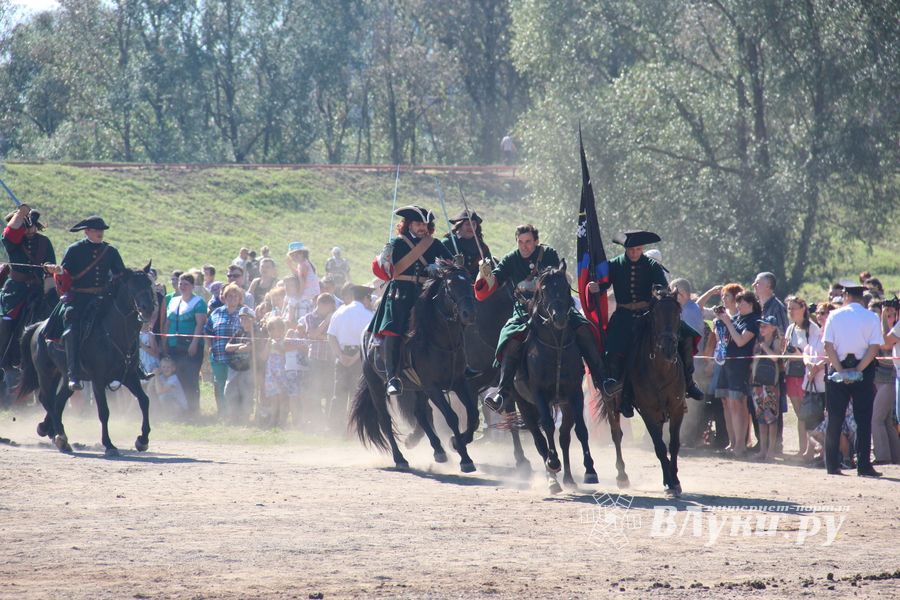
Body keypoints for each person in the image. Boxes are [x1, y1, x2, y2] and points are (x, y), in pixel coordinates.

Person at [475, 224, 614, 412]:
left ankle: (603, 380)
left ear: (536, 241)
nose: (524, 246)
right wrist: (484, 273)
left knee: (584, 329)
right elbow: (488, 288)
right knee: (509, 340)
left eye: (528, 241)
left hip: (552, 307)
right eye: (520, 242)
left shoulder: (548, 254)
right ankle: (503, 392)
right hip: (524, 311)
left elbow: (555, 279)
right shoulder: (510, 259)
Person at [597, 230, 703, 416]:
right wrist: (595, 286)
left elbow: (662, 287)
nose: (635, 253)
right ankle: (619, 392)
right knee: (612, 349)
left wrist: (660, 293)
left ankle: (689, 381)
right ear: (625, 249)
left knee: (686, 335)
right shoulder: (614, 264)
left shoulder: (652, 265)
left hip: (648, 316)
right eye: (631, 249)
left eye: (638, 249)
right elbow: (603, 284)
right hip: (623, 317)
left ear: (642, 248)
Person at [369, 205, 454, 396]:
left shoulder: (435, 244)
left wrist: (439, 267)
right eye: (418, 224)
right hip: (401, 294)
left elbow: (452, 266)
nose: (422, 227)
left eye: (424, 224)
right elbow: (384, 272)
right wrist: (385, 259)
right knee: (393, 328)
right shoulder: (397, 243)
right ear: (409, 225)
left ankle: (457, 368)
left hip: (427, 293)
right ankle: (392, 377)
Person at [43, 215, 127, 391]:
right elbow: (64, 277)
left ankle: (134, 367)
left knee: (125, 322)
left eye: (101, 230)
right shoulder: (74, 250)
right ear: (87, 231)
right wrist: (58, 272)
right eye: (96, 230)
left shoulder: (110, 251)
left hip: (103, 298)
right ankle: (73, 374)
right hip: (79, 298)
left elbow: (121, 275)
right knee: (72, 328)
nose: (100, 233)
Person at [821, 281, 884, 477]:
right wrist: (858, 369)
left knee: (835, 419)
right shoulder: (872, 317)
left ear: (846, 296)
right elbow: (874, 348)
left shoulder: (834, 315)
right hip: (863, 369)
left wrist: (841, 370)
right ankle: (864, 465)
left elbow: (828, 346)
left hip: (838, 367)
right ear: (861, 297)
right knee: (863, 419)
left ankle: (832, 465)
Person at [0, 204, 55, 377]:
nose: (30, 229)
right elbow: (8, 234)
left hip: (38, 290)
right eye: (25, 226)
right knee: (7, 322)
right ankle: (4, 359)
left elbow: (51, 265)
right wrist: (22, 213)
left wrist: (50, 269)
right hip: (16, 292)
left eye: (32, 226)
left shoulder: (44, 242)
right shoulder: (14, 242)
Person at [714, 290, 761, 458]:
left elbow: (741, 341)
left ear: (751, 304)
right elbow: (724, 339)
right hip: (726, 364)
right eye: (738, 301)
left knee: (738, 403)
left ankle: (741, 444)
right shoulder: (736, 319)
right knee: (726, 402)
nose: (739, 305)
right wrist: (720, 322)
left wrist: (728, 322)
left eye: (742, 302)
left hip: (740, 366)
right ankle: (732, 442)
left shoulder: (754, 321)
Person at [327, 284, 374, 432]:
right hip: (360, 357)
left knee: (339, 394)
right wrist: (354, 358)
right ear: (365, 298)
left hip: (342, 355)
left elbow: (331, 336)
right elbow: (370, 341)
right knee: (358, 394)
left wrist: (341, 355)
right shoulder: (369, 316)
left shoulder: (339, 312)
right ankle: (355, 428)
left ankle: (334, 428)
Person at [162, 273, 207, 416]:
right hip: (174, 345)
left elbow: (200, 324)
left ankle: (193, 410)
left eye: (186, 284)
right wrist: (164, 341)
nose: (182, 286)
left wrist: (194, 343)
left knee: (190, 378)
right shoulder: (173, 300)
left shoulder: (198, 302)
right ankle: (180, 409)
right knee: (177, 378)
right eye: (181, 283)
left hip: (190, 346)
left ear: (192, 286)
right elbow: (168, 322)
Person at [783, 296, 820, 457]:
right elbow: (785, 351)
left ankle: (811, 449)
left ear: (803, 308)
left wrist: (799, 354)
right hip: (792, 373)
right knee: (799, 414)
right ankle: (802, 449)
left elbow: (815, 352)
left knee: (808, 414)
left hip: (807, 374)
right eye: (789, 308)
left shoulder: (812, 328)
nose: (791, 311)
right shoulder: (790, 328)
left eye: (794, 308)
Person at [205, 282, 245, 418]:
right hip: (218, 356)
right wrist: (210, 346)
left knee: (235, 386)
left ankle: (236, 414)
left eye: (235, 296)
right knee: (220, 384)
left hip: (237, 358)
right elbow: (207, 331)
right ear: (224, 298)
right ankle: (223, 413)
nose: (232, 299)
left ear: (240, 298)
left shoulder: (244, 313)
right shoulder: (216, 312)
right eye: (229, 296)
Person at [298, 293, 338, 424]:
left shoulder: (336, 316)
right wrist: (326, 321)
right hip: (316, 359)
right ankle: (317, 421)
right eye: (329, 306)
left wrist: (324, 336)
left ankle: (329, 421)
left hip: (331, 359)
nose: (331, 308)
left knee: (330, 391)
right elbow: (313, 334)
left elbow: (336, 336)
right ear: (320, 305)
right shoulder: (310, 317)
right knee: (315, 390)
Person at [873, 298, 900, 464]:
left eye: (892, 314)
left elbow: (885, 344)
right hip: (887, 377)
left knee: (876, 419)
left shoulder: (897, 328)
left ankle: (883, 457)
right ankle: (895, 457)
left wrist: (883, 317)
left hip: (891, 377)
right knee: (889, 420)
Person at [751, 316, 781, 461]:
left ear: (773, 328)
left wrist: (764, 347)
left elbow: (775, 357)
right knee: (761, 418)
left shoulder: (776, 341)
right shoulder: (758, 341)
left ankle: (771, 450)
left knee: (771, 418)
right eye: (761, 326)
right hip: (757, 383)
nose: (761, 329)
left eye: (765, 326)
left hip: (770, 384)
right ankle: (762, 450)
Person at [223, 306, 257, 424]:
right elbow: (227, 347)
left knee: (247, 393)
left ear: (252, 319)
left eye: (246, 319)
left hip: (247, 368)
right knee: (230, 392)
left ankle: (245, 418)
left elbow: (249, 348)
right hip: (234, 367)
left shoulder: (255, 332)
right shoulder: (239, 332)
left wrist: (240, 348)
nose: (243, 321)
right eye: (241, 319)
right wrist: (239, 346)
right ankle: (233, 416)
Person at [443, 209, 492, 278]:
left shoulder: (482, 247)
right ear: (459, 225)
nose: (471, 227)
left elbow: (490, 272)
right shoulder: (447, 243)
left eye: (474, 224)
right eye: (468, 224)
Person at [286, 242, 320, 316]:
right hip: (313, 291)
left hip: (309, 292)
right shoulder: (304, 263)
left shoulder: (303, 265)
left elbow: (302, 281)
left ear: (303, 253)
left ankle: (290, 318)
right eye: (292, 255)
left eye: (297, 254)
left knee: (292, 300)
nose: (294, 257)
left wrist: (299, 294)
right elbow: (298, 275)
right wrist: (290, 266)